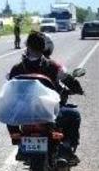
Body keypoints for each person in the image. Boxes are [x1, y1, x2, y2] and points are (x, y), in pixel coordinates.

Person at [7, 31, 80, 163]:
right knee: (74, 115)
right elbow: (69, 80)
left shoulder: (16, 69)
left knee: (9, 109)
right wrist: (78, 89)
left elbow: (9, 89)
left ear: (27, 46)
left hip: (24, 112)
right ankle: (66, 148)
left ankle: (17, 137)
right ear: (44, 47)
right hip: (49, 112)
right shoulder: (53, 66)